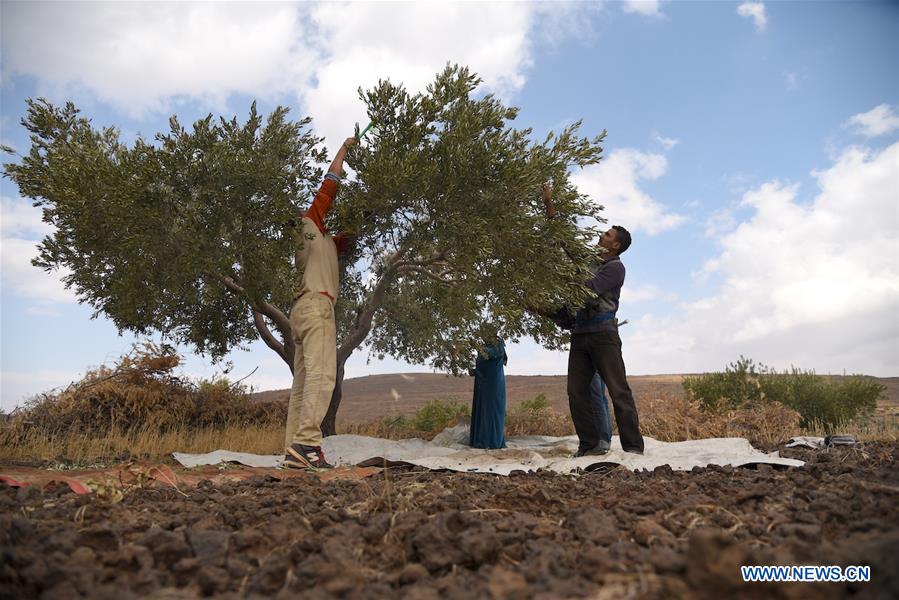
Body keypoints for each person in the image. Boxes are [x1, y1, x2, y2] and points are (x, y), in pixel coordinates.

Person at [542, 184, 644, 456]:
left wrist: (567, 280)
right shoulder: (589, 259)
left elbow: (587, 289)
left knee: (618, 391)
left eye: (607, 234)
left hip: (603, 336)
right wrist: (549, 204)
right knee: (576, 392)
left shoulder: (615, 268)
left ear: (616, 245)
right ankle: (588, 445)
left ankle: (633, 447)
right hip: (580, 334)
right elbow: (564, 241)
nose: (602, 235)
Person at [283, 135, 356, 470]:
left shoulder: (321, 239)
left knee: (302, 383)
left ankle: (293, 452)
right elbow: (331, 182)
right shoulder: (308, 223)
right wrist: (344, 149)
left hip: (300, 311)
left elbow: (347, 239)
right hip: (316, 307)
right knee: (323, 375)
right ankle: (308, 444)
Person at [468, 339, 507, 449]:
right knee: (482, 411)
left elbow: (490, 354)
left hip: (493, 386)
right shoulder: (485, 346)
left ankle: (491, 442)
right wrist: (475, 371)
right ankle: (480, 441)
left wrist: (476, 345)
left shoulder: (498, 345)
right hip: (483, 385)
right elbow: (486, 365)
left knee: (491, 412)